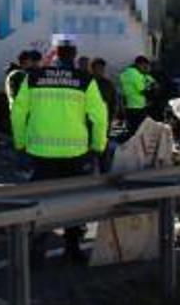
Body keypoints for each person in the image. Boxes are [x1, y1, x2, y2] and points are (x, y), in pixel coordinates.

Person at [11, 34, 109, 264]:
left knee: (40, 203)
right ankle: (73, 250)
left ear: (54, 52)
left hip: (41, 152)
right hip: (75, 153)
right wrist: (98, 146)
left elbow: (18, 112)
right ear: (74, 53)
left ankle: (35, 253)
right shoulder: (84, 79)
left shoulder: (34, 77)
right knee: (74, 203)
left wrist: (20, 142)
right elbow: (100, 116)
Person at [89, 58, 118, 172]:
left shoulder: (107, 84)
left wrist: (110, 119)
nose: (100, 71)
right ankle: (90, 169)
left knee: (103, 147)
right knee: (89, 148)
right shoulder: (87, 82)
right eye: (98, 68)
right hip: (89, 122)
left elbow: (114, 102)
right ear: (92, 69)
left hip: (103, 122)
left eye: (102, 69)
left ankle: (104, 170)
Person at [119, 55, 155, 138]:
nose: (145, 68)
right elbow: (143, 90)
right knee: (138, 131)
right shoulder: (135, 74)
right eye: (144, 66)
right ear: (140, 64)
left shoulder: (126, 73)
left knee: (132, 129)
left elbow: (147, 79)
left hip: (129, 105)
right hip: (138, 107)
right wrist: (152, 88)